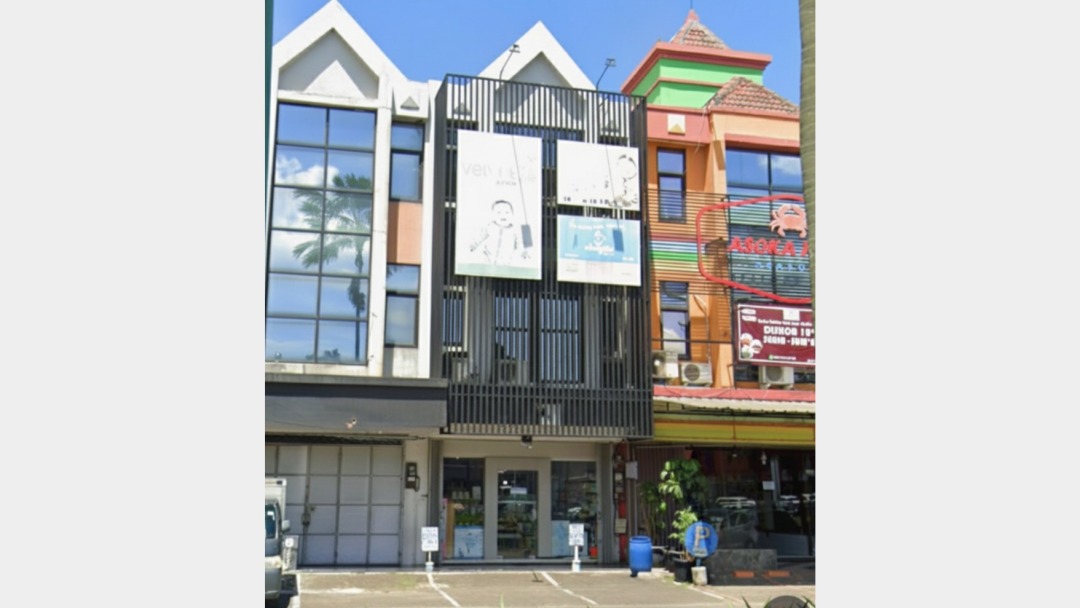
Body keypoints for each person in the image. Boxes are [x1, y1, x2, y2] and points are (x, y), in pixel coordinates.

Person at [468, 199, 529, 264]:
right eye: (498, 212)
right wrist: (473, 245)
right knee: (484, 261)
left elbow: (520, 242)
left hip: (505, 260)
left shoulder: (514, 230)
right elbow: (480, 236)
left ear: (512, 215)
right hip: (488, 256)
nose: (503, 215)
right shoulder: (490, 226)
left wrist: (523, 252)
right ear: (493, 215)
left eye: (507, 212)